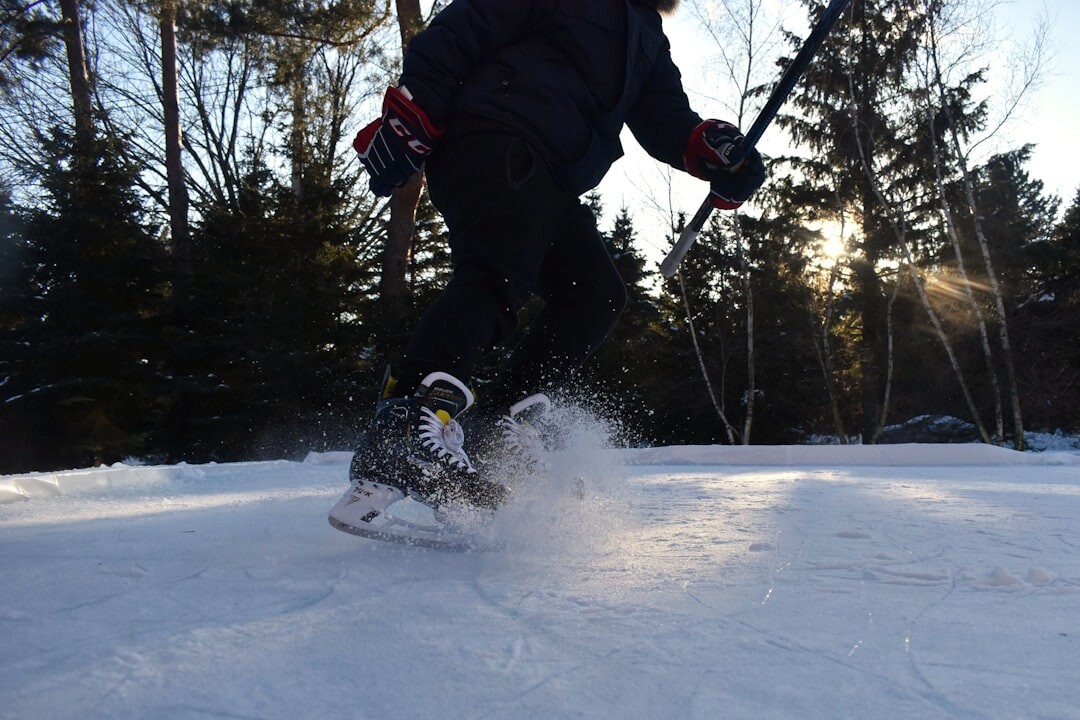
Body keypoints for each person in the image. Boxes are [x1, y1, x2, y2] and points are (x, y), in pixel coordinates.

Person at [340, 0, 766, 511]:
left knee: (595, 295)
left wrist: (716, 150)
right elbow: (466, 25)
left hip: (551, 176)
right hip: (494, 133)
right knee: (494, 275)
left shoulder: (645, 31)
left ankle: (497, 433)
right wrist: (415, 110)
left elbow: (665, 119)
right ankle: (405, 427)